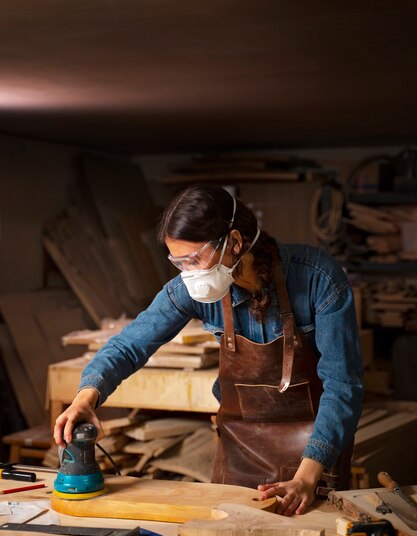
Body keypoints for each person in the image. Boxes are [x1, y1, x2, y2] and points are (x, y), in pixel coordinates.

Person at [54, 183, 364, 516]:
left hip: (316, 454)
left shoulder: (318, 277)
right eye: (179, 262)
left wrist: (306, 477)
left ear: (234, 243)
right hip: (239, 453)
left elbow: (342, 384)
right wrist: (86, 398)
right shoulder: (192, 288)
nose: (188, 272)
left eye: (194, 258)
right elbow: (130, 344)